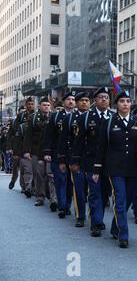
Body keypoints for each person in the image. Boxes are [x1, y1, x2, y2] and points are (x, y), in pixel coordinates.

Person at [93, 91, 137, 248]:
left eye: (128, 101)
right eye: (122, 101)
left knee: (128, 200)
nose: (125, 104)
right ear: (116, 104)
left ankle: (115, 226)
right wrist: (97, 169)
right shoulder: (109, 122)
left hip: (133, 168)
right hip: (114, 168)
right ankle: (124, 235)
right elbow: (101, 147)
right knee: (120, 200)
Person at [72, 87, 115, 237]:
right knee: (95, 193)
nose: (104, 99)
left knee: (104, 194)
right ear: (95, 101)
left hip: (109, 162)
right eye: (101, 97)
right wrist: (76, 161)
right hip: (91, 161)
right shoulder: (86, 118)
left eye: (106, 97)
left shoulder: (113, 116)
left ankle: (99, 217)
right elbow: (78, 142)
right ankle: (95, 223)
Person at [58, 92, 90, 227]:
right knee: (79, 190)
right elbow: (63, 140)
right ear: (77, 103)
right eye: (81, 100)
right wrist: (62, 160)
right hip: (76, 158)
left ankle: (95, 218)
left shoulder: (94, 116)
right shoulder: (70, 118)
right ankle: (80, 216)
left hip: (92, 159)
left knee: (94, 191)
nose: (84, 103)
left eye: (87, 100)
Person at [43, 92, 76, 219]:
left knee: (70, 183)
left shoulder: (79, 117)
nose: (71, 101)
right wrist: (47, 152)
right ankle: (62, 207)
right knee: (60, 181)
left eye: (73, 99)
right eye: (68, 99)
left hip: (73, 155)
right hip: (58, 154)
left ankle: (67, 205)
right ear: (64, 101)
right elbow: (49, 136)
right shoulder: (56, 116)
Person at [23, 97, 58, 210]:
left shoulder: (54, 117)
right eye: (44, 105)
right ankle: (40, 197)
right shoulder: (33, 118)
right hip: (36, 151)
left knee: (51, 175)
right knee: (39, 175)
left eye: (48, 105)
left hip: (50, 151)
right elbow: (28, 136)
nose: (46, 107)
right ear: (39, 106)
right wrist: (27, 151)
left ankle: (53, 199)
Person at [7, 98, 35, 193]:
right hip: (18, 144)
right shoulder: (20, 116)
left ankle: (27, 187)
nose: (31, 105)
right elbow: (11, 133)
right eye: (29, 104)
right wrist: (10, 147)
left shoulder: (36, 115)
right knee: (16, 166)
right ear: (26, 105)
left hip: (30, 145)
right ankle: (13, 180)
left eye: (32, 104)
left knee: (27, 168)